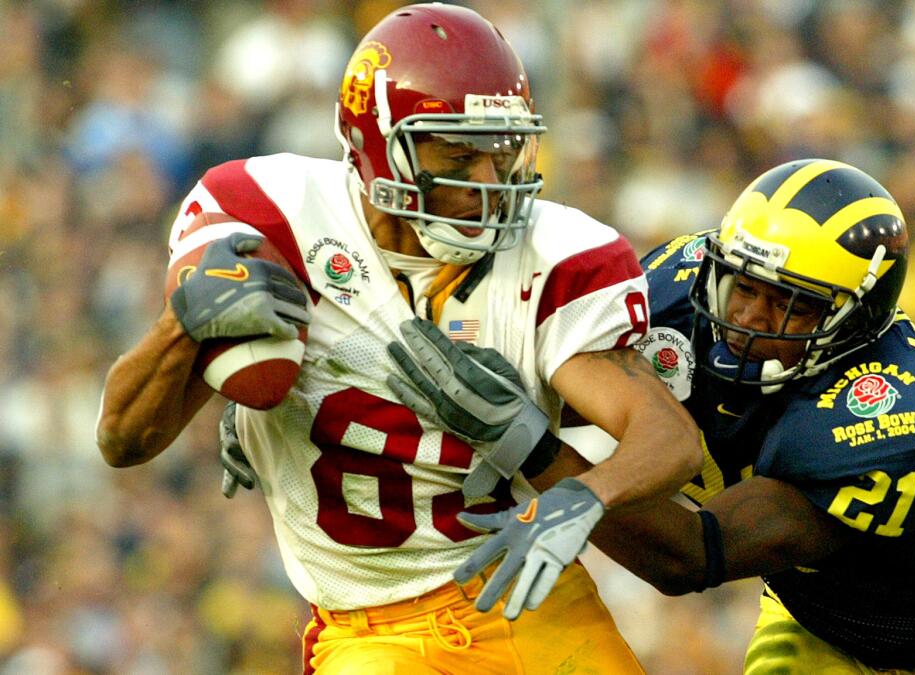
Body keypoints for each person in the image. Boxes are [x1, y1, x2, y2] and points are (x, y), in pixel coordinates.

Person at [96, 4, 701, 674]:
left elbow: (666, 435)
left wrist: (585, 494)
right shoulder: (274, 216)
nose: (486, 183)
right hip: (371, 630)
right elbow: (123, 441)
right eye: (457, 152)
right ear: (378, 147)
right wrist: (188, 324)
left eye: (500, 151)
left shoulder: (556, 254)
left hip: (524, 592)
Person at [381, 159, 915, 673]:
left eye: (788, 304)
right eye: (744, 287)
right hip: (817, 619)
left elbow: (692, 553)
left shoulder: (897, 417)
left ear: (858, 316)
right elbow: (539, 359)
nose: (746, 320)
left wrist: (532, 451)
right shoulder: (685, 283)